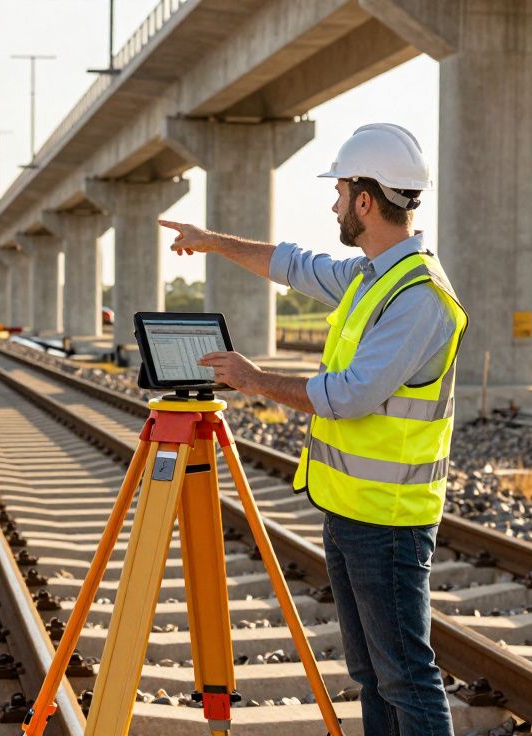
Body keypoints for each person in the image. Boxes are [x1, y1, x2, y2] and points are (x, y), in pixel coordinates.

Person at [159, 123, 467, 736]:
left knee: (405, 675)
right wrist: (211, 241)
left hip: (390, 519)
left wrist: (255, 378)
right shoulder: (370, 276)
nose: (333, 203)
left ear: (364, 200)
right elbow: (292, 265)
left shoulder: (418, 297)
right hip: (349, 509)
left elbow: (350, 396)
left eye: (341, 191)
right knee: (372, 674)